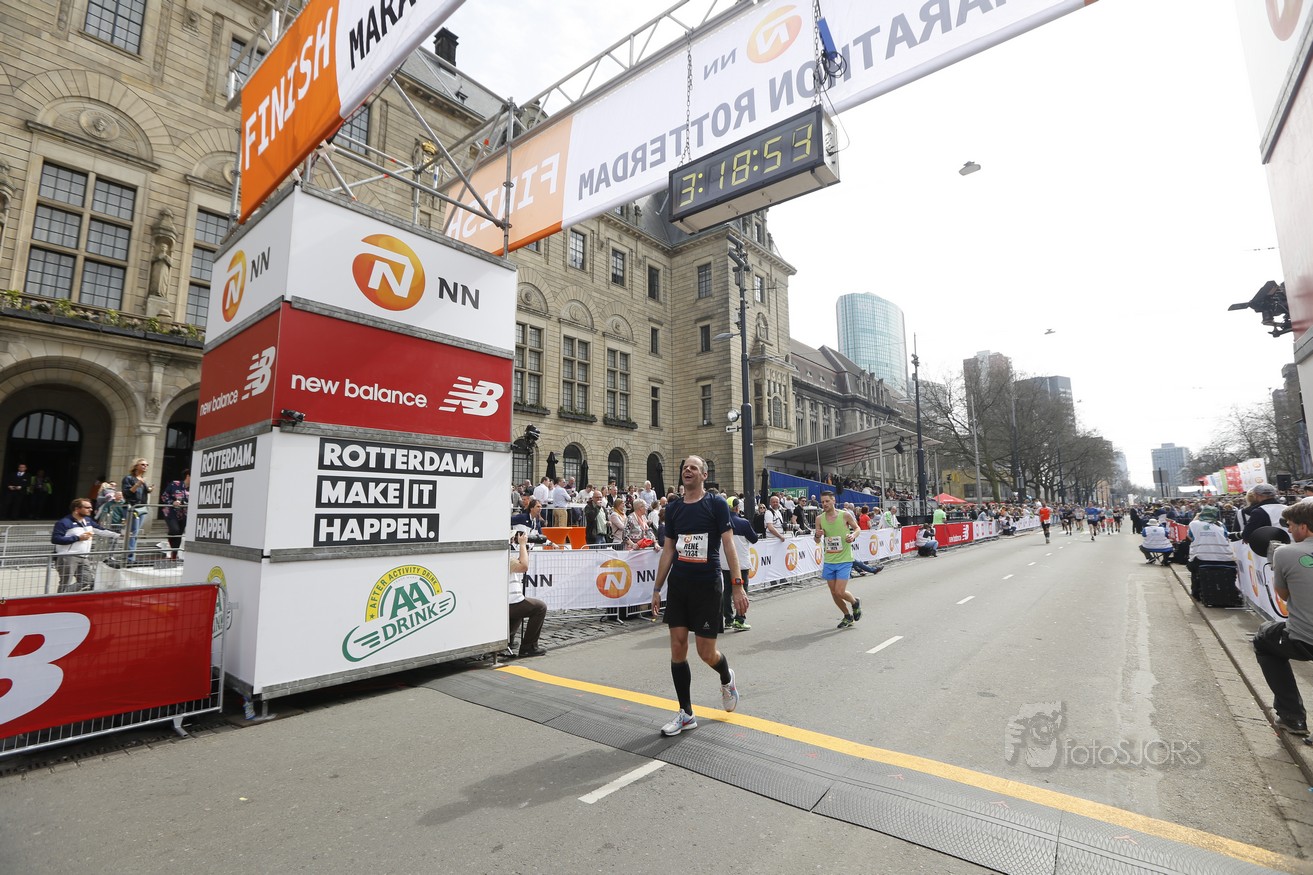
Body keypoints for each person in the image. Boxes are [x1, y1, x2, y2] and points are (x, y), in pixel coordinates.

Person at [650, 456, 744, 737]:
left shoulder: (715, 504)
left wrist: (737, 584)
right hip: (680, 585)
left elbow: (729, 545)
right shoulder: (674, 508)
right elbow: (669, 550)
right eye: (684, 468)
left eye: (693, 467)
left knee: (706, 653)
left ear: (704, 475)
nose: (687, 470)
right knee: (678, 647)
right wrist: (656, 589)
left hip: (707, 585)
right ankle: (686, 713)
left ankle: (726, 677)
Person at [1253, 502, 1313, 736]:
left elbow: (1284, 595)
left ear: (1304, 527)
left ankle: (1292, 716)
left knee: (1263, 638)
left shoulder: (1286, 552)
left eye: (1290, 525)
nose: (1288, 530)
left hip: (1305, 639)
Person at [813, 490, 862, 629]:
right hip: (829, 560)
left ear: (833, 501)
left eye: (827, 501)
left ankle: (855, 602)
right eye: (822, 502)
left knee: (840, 591)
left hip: (844, 559)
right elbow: (817, 540)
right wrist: (817, 535)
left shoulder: (844, 515)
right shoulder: (819, 519)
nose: (824, 504)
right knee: (834, 593)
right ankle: (847, 616)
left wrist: (853, 536)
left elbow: (857, 528)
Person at [51, 498, 121, 592]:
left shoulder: (88, 520)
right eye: (87, 507)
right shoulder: (64, 522)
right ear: (77, 509)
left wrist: (119, 535)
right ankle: (60, 598)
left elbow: (101, 530)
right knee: (65, 582)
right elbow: (55, 539)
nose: (91, 509)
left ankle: (62, 595)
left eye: (91, 507)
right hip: (67, 557)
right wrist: (77, 538)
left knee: (87, 581)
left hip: (84, 557)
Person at [507, 527, 547, 658]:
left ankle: (508, 641)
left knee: (521, 610)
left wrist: (524, 548)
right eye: (512, 538)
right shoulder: (504, 557)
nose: (513, 540)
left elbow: (519, 563)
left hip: (509, 601)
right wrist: (522, 545)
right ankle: (528, 647)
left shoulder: (501, 555)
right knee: (540, 607)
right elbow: (523, 566)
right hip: (511, 601)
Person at [721, 507, 759, 631]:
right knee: (742, 591)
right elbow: (754, 539)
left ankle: (728, 620)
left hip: (725, 563)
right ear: (737, 508)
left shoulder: (720, 521)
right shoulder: (743, 522)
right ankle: (740, 619)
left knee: (727, 591)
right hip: (741, 563)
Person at [121, 458, 152, 561]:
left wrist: (149, 489)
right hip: (132, 507)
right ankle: (129, 558)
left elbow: (143, 493)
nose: (145, 466)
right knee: (133, 533)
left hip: (142, 508)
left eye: (146, 465)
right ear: (136, 466)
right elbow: (127, 494)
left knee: (135, 533)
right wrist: (137, 484)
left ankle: (130, 557)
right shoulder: (128, 478)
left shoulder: (142, 479)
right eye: (142, 464)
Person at [160, 469, 189, 560]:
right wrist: (172, 502)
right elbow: (164, 496)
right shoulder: (175, 484)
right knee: (174, 530)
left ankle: (174, 556)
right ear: (188, 476)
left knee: (179, 534)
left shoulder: (195, 487)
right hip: (170, 512)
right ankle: (170, 537)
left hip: (184, 514)